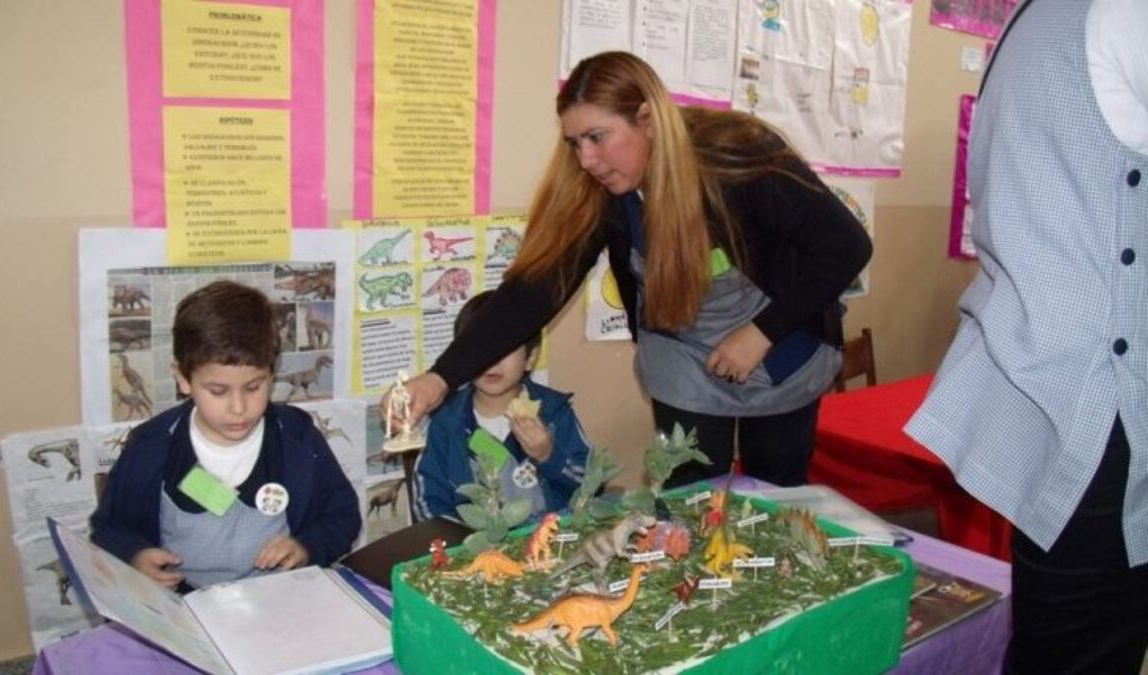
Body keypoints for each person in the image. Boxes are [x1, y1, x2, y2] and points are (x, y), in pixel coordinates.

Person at [389, 51, 871, 488]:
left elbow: (847, 246)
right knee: (690, 496)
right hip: (681, 350)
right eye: (575, 143)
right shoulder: (601, 190)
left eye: (597, 138)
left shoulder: (738, 153)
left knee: (774, 495)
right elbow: (533, 292)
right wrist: (440, 379)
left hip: (781, 336)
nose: (586, 160)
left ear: (647, 120)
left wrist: (761, 332)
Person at [905, 1, 1148, 672]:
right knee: (1087, 643)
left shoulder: (1034, 18)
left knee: (1061, 637)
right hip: (1108, 408)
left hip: (1049, 383)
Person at [91, 281, 361, 591]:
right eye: (218, 391)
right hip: (189, 604)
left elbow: (342, 515)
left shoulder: (297, 437)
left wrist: (306, 547)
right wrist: (135, 556)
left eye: (254, 387)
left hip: (281, 599)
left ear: (272, 374)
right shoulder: (152, 446)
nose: (239, 408)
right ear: (182, 378)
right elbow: (109, 528)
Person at [412, 291, 591, 522]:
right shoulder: (446, 421)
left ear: (530, 357)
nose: (491, 360)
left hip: (550, 543)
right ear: (461, 357)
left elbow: (590, 485)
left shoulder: (554, 412)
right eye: (479, 350)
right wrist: (460, 543)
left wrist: (548, 455)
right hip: (474, 550)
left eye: (505, 348)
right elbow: (428, 502)